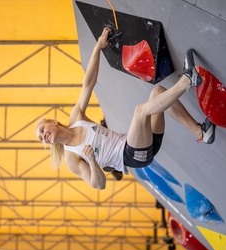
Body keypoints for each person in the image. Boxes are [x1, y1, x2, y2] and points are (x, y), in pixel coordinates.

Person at [36, 27, 216, 190]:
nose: (43, 135)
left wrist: (98, 47)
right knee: (140, 111)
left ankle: (201, 132)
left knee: (158, 93)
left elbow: (88, 83)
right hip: (132, 155)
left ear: (53, 122)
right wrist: (91, 161)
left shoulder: (76, 118)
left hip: (144, 142)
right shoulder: (71, 158)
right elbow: (99, 185)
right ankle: (187, 80)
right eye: (41, 138)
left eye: (42, 130)